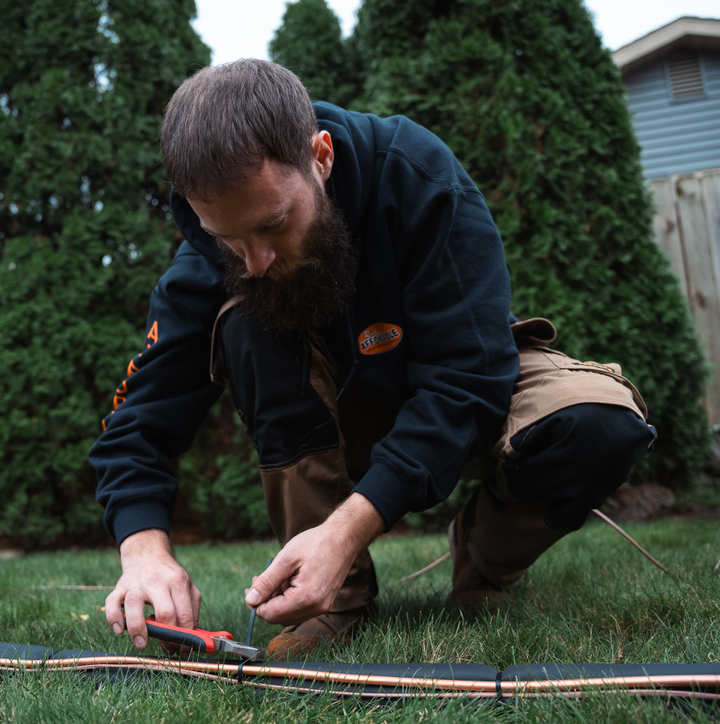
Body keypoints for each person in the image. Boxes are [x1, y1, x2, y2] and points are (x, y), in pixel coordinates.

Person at [90, 59, 656, 658]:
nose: (254, 260)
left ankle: (483, 563)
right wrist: (143, 549)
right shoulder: (211, 260)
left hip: (460, 397)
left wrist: (348, 527)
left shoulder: (416, 176)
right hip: (335, 430)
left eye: (274, 224)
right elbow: (136, 422)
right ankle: (334, 602)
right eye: (227, 237)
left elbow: (470, 376)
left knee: (599, 423)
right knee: (244, 314)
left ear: (321, 157)